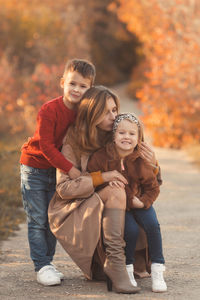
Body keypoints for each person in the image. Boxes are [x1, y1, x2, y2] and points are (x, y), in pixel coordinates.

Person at [48, 86, 160, 293]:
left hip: (115, 203)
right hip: (78, 205)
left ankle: (116, 264)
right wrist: (102, 177)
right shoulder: (72, 142)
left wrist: (153, 164)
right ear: (92, 112)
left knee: (125, 198)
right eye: (107, 111)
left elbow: (146, 176)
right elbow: (64, 189)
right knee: (115, 188)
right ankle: (116, 264)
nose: (114, 116)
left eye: (115, 109)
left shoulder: (117, 134)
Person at [20, 58, 96, 286]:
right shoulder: (49, 110)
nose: (76, 90)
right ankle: (41, 265)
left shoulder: (83, 114)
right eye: (73, 83)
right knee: (38, 219)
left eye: (83, 86)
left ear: (90, 89)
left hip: (56, 172)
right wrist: (71, 170)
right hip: (34, 168)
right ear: (63, 82)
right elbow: (46, 146)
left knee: (53, 217)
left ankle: (48, 263)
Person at [87, 112, 167, 293]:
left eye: (132, 134)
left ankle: (157, 267)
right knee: (129, 230)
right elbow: (90, 180)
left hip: (140, 202)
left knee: (153, 226)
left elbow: (153, 188)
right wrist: (105, 183)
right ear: (114, 135)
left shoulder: (141, 159)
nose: (126, 137)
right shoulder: (101, 157)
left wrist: (143, 202)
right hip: (119, 206)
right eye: (122, 133)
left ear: (138, 138)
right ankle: (127, 269)